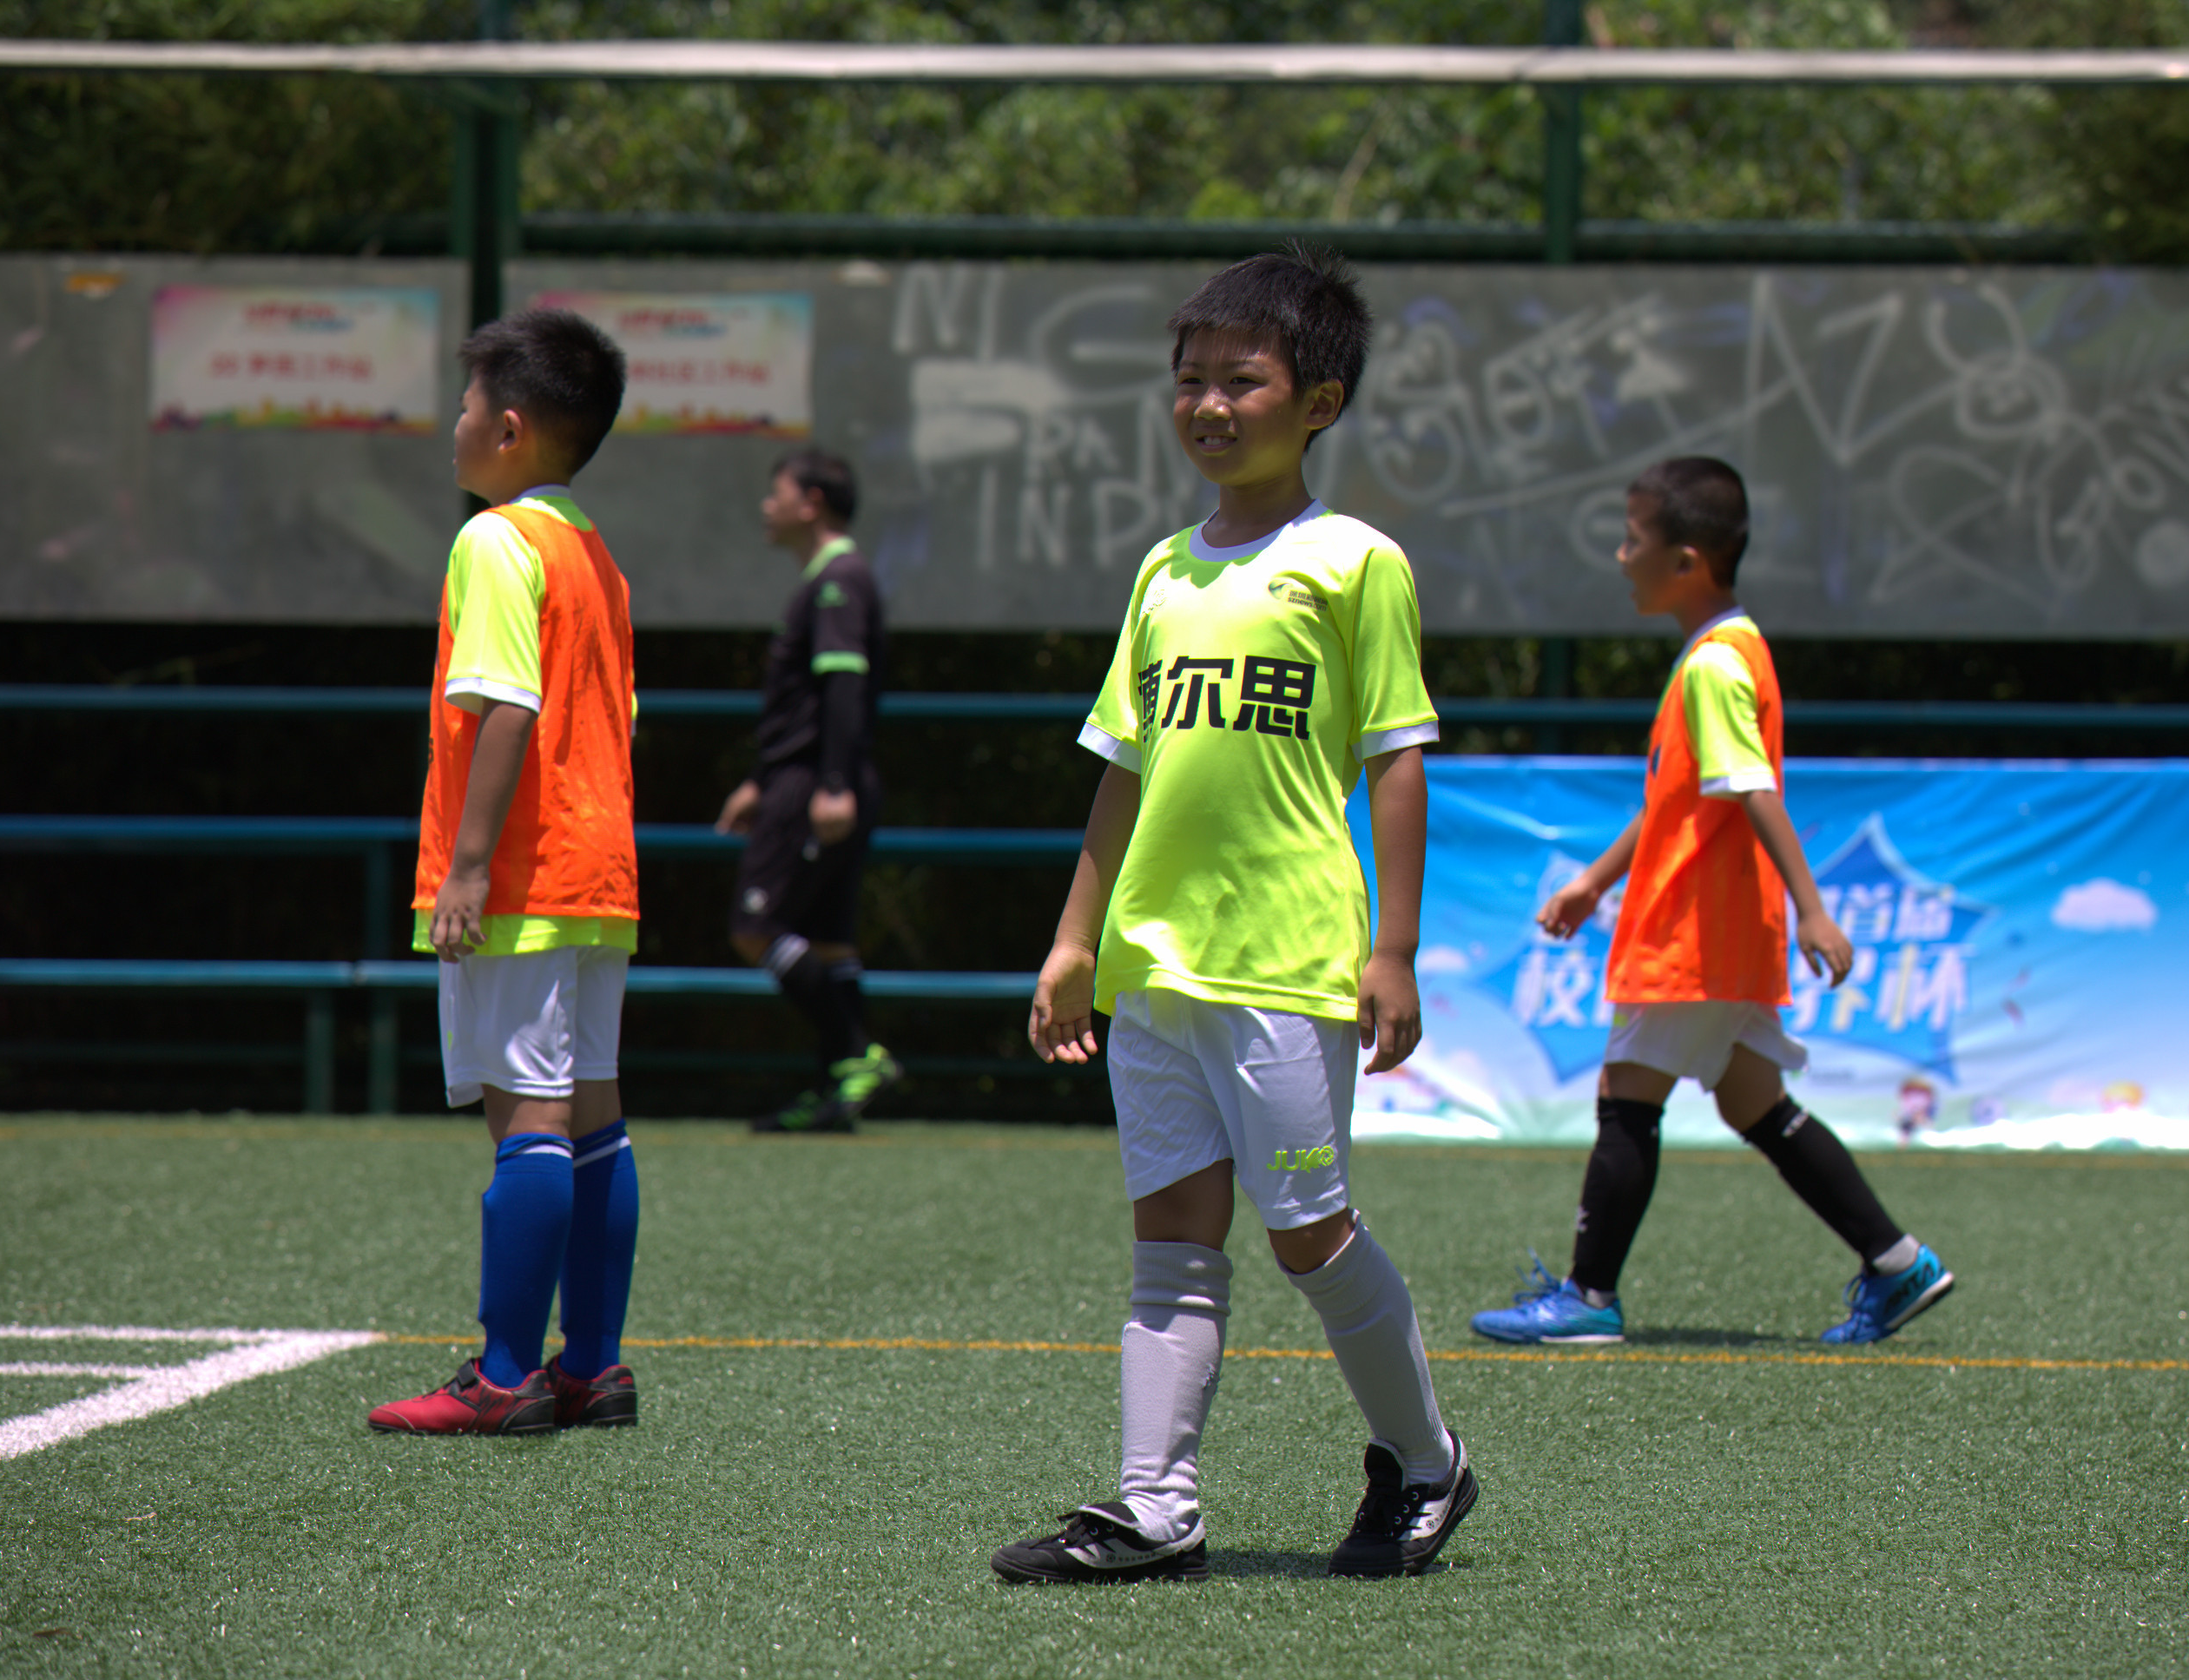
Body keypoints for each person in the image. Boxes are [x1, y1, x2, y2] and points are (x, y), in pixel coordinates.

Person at [992, 245, 1477, 1586]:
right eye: (1189, 379)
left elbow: (1396, 757)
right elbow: (1123, 770)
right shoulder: (1161, 571)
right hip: (1155, 963)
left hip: (1284, 959)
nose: (1207, 405)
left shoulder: (1354, 561)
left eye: (1240, 381)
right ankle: (1155, 1509)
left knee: (1308, 1235)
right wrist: (1074, 939)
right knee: (1169, 1242)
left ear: (1318, 402)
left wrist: (1391, 948)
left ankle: (1427, 1463)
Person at [1470, 457, 1955, 1350]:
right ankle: (1897, 1262)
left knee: (1626, 1094)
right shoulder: (1730, 651)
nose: (1621, 557)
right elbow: (1678, 802)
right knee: (1753, 1102)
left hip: (1690, 936)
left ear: (1686, 560)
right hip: (1725, 932)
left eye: (1633, 540)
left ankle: (1588, 1296)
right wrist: (1594, 880)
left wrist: (1814, 908)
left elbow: (1753, 789)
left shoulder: (1714, 665)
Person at [367, 308, 643, 1435]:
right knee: (595, 1114)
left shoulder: (494, 541)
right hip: (600, 873)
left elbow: (508, 707)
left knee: (528, 1113)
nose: (456, 425)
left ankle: (504, 1373)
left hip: (526, 873)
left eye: (468, 405)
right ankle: (593, 1366)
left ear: (511, 427)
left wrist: (469, 868)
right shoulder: (593, 551)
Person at [715, 448, 900, 1134]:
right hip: (806, 779)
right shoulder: (831, 579)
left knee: (754, 927)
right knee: (826, 940)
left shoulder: (839, 581)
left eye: (778, 493)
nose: (768, 506)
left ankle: (857, 1053)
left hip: (818, 784)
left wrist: (831, 784)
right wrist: (759, 780)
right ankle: (834, 1090)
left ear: (812, 503)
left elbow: (844, 688)